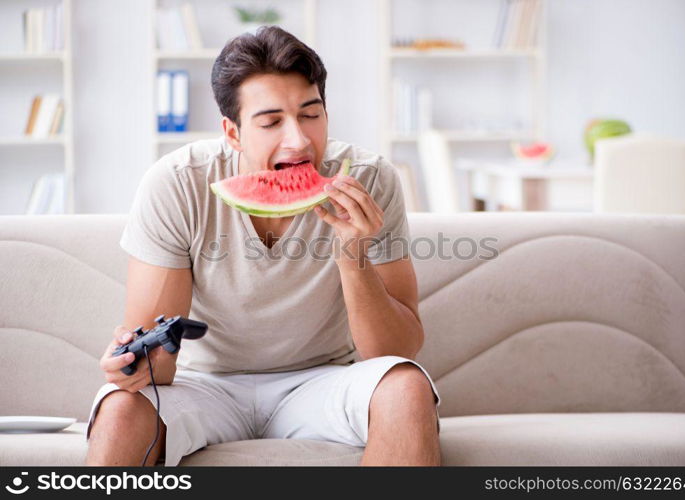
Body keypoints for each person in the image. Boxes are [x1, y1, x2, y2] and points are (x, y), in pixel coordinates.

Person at [84, 25, 441, 467]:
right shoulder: (178, 183)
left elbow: (395, 351)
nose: (299, 139)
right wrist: (133, 364)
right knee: (120, 409)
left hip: (323, 380)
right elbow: (158, 365)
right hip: (207, 385)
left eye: (311, 114)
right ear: (232, 133)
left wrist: (353, 255)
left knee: (407, 387)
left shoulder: (368, 179)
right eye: (271, 122)